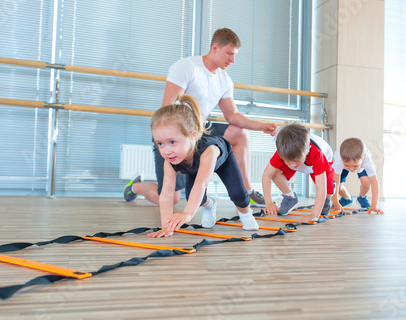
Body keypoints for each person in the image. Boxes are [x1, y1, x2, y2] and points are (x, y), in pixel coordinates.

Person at [124, 28, 278, 207]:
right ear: (215, 48)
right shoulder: (186, 67)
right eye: (229, 53)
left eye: (235, 55)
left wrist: (262, 126)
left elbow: (233, 116)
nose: (233, 60)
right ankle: (135, 186)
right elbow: (167, 108)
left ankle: (247, 191)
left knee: (240, 133)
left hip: (198, 131)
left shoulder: (225, 80)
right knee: (170, 199)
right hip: (175, 133)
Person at [147, 94, 259, 238]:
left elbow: (201, 183)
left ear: (193, 136)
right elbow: (167, 193)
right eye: (160, 144)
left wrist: (187, 214)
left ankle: (246, 214)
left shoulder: (208, 151)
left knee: (238, 194)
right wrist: (166, 227)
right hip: (195, 165)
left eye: (172, 142)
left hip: (223, 160)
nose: (166, 151)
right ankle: (210, 204)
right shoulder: (170, 160)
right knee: (192, 198)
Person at [261, 123, 335, 222]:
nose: (292, 165)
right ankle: (290, 197)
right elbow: (267, 175)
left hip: (317, 161)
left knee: (327, 191)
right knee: (275, 173)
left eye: (295, 162)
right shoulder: (283, 152)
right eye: (288, 161)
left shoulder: (318, 154)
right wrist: (269, 202)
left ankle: (326, 199)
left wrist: (314, 214)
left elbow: (321, 188)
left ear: (308, 149)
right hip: (302, 159)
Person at [331, 138, 384, 214]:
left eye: (355, 166)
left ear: (363, 158)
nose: (351, 169)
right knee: (338, 187)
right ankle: (347, 198)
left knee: (366, 182)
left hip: (361, 167)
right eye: (348, 166)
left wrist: (374, 204)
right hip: (343, 166)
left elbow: (374, 182)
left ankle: (362, 197)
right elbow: (335, 182)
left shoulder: (367, 161)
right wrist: (335, 203)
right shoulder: (339, 160)